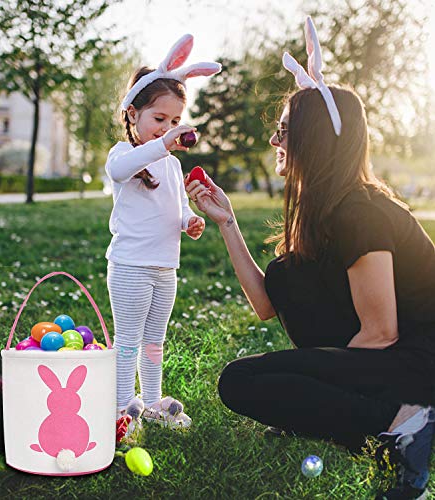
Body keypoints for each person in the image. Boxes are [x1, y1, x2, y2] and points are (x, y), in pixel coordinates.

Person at [185, 17, 434, 500]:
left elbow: (381, 332)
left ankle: (405, 424)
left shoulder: (360, 212)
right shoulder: (325, 213)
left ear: (313, 139)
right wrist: (227, 222)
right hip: (392, 359)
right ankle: (366, 415)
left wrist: (314, 381)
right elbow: (267, 303)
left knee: (245, 379)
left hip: (420, 362)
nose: (274, 141)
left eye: (284, 131)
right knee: (280, 295)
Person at [105, 34, 221, 432]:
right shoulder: (125, 155)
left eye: (174, 122)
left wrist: (188, 220)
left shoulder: (171, 164)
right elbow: (120, 171)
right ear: (132, 113)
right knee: (128, 341)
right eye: (159, 120)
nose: (167, 129)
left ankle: (152, 401)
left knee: (155, 341)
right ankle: (121, 407)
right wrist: (162, 144)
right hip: (131, 267)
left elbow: (177, 205)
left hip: (164, 268)